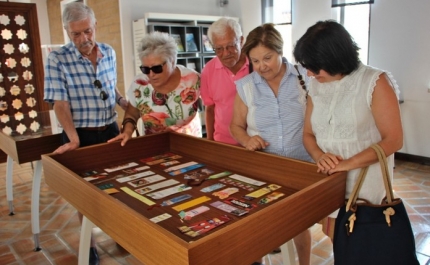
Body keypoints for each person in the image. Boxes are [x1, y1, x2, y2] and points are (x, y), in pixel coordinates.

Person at [293, 20, 403, 241]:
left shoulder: (374, 81)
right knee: (339, 242)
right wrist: (320, 156)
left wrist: (346, 165)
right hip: (331, 184)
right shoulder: (316, 85)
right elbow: (308, 134)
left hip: (366, 186)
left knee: (364, 244)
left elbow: (393, 140)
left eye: (314, 66)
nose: (310, 73)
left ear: (334, 58)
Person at [43, 2, 127, 264]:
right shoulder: (58, 59)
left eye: (87, 32)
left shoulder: (109, 53)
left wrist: (125, 103)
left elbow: (110, 89)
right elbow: (60, 103)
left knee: (118, 187)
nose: (83, 39)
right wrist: (73, 138)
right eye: (76, 34)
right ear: (68, 32)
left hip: (110, 130)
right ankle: (89, 246)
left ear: (95, 26)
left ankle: (118, 233)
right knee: (85, 196)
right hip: (81, 134)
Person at [230, 23, 312, 265]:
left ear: (280, 51)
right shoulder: (246, 87)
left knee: (299, 223)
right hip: (265, 167)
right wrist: (247, 140)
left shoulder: (303, 77)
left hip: (302, 163)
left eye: (267, 58)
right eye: (255, 61)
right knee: (262, 224)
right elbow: (235, 126)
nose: (262, 66)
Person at [109, 31, 202, 146]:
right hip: (155, 147)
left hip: (191, 145)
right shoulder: (139, 84)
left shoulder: (193, 79)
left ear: (172, 61)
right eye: (146, 69)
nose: (151, 74)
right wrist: (127, 131)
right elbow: (132, 114)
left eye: (157, 68)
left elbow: (213, 106)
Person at [200, 17, 249, 145]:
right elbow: (210, 109)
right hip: (223, 143)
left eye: (231, 46)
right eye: (219, 49)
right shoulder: (208, 70)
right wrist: (210, 142)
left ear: (241, 41)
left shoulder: (256, 65)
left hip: (255, 142)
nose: (226, 53)